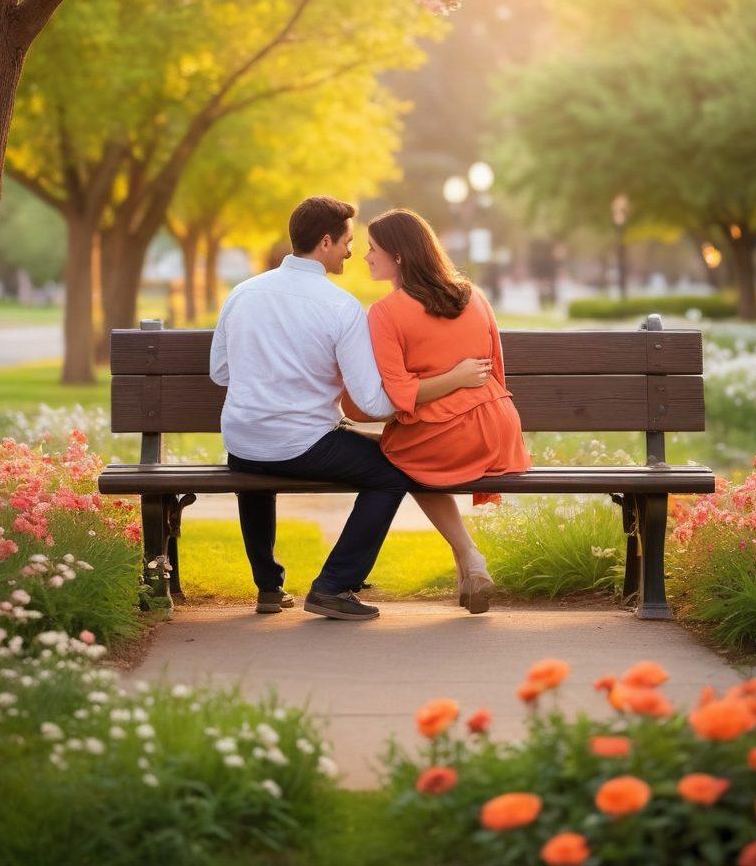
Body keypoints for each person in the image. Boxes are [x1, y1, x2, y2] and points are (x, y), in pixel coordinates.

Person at [209, 195, 492, 622]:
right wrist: (430, 394)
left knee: (259, 467)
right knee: (392, 472)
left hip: (242, 440)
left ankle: (269, 587)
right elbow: (376, 402)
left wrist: (268, 381)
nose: (350, 251)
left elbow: (220, 372)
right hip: (303, 445)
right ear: (325, 242)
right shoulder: (340, 308)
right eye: (345, 242)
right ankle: (334, 585)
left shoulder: (244, 292)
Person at [342, 208, 531, 613]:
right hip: (499, 428)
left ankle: (470, 554)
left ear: (400, 256)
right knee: (409, 447)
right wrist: (464, 378)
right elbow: (496, 369)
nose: (366, 256)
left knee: (397, 458)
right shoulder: (472, 294)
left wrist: (455, 378)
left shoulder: (385, 312)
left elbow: (398, 393)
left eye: (373, 249)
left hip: (448, 436)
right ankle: (467, 567)